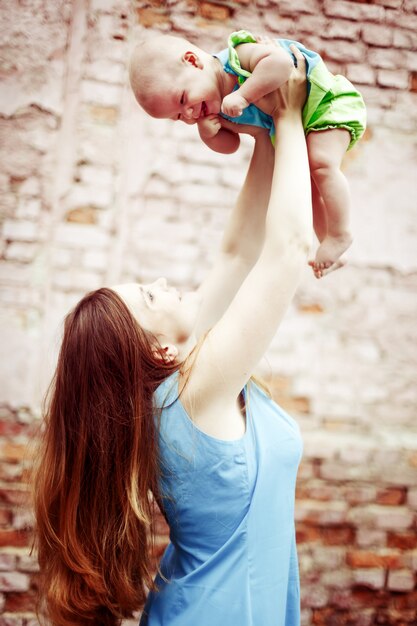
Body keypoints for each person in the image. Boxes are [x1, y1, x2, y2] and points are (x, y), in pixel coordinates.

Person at [33, 48, 311, 626]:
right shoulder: (190, 395)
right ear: (157, 349)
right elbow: (287, 252)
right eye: (151, 296)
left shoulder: (180, 378)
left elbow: (238, 251)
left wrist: (264, 145)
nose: (164, 283)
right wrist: (287, 118)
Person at [129, 30, 367, 279]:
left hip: (328, 102)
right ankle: (329, 243)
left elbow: (281, 64)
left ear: (192, 61)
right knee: (310, 185)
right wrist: (209, 135)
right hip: (305, 123)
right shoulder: (214, 112)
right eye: (178, 117)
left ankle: (341, 233)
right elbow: (230, 145)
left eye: (182, 99)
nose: (189, 114)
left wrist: (243, 95)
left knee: (320, 164)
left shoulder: (236, 58)